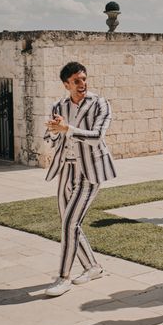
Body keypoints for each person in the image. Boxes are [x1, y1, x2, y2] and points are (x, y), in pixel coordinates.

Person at [43, 62, 117, 296]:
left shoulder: (100, 103)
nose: (82, 84)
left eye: (84, 79)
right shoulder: (58, 105)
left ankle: (63, 277)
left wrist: (67, 129)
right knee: (69, 222)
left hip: (90, 170)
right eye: (76, 81)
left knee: (69, 224)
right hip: (66, 170)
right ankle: (93, 267)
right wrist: (54, 132)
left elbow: (97, 136)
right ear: (66, 84)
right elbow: (50, 138)